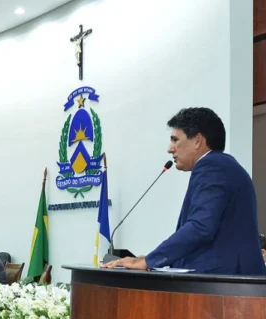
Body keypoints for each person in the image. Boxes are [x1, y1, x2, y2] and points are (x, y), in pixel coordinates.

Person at [103, 108, 265, 275]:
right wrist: (154, 259)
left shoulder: (212, 166)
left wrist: (148, 261)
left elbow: (201, 227)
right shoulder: (222, 166)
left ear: (197, 140)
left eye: (175, 140)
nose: (170, 149)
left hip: (227, 289)